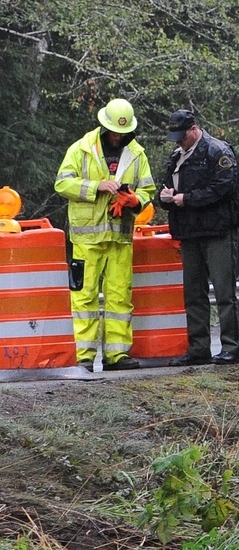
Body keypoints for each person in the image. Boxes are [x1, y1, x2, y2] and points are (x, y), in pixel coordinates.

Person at [53, 98, 156, 371]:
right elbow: (62, 183)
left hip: (120, 236)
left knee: (120, 296)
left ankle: (117, 355)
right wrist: (97, 186)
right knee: (84, 296)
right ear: (103, 126)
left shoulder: (136, 153)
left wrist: (136, 201)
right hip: (86, 238)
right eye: (114, 131)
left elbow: (148, 189)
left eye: (122, 133)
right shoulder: (82, 149)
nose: (118, 136)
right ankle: (83, 356)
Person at [164, 110, 239, 365]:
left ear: (194, 129)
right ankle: (198, 348)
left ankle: (231, 348)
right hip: (189, 231)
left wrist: (186, 199)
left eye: (181, 136)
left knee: (223, 292)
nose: (178, 142)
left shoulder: (217, 151)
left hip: (217, 231)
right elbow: (166, 186)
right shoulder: (177, 156)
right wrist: (165, 197)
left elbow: (222, 188)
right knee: (193, 294)